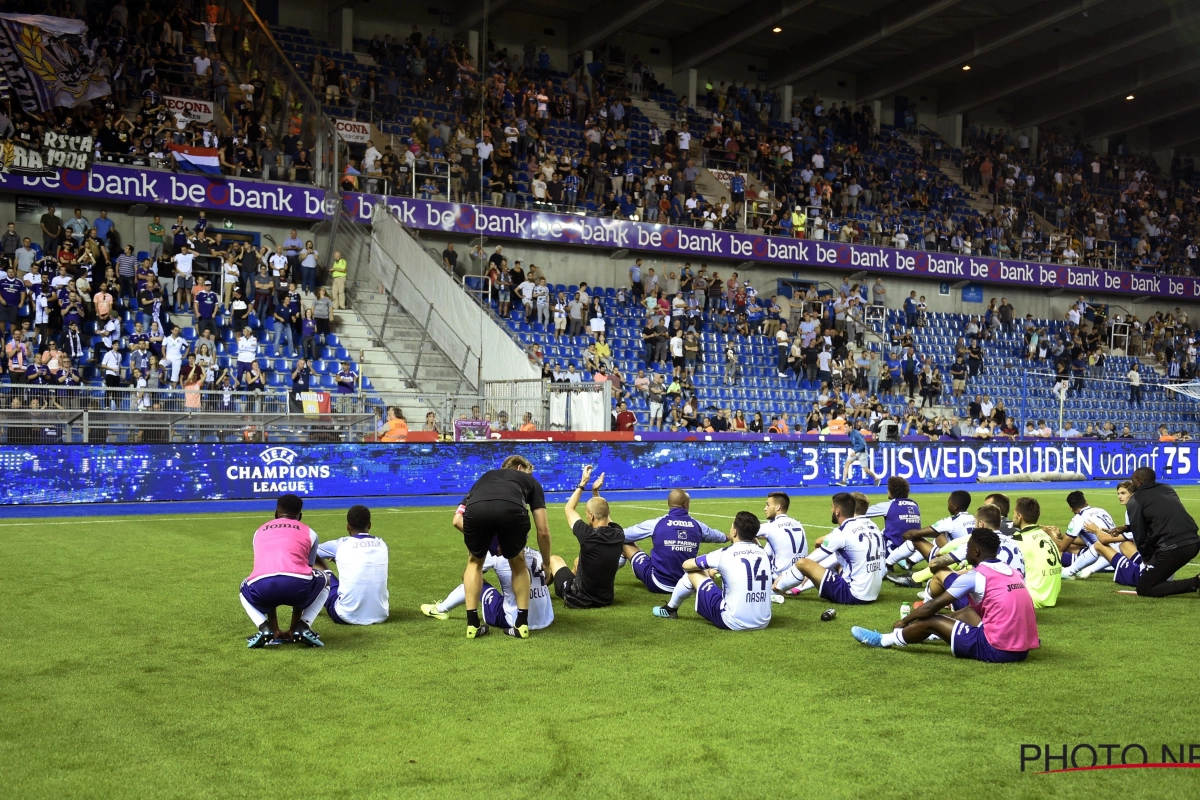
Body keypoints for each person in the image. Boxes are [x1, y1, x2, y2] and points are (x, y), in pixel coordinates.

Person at [851, 528, 1040, 663]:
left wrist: (904, 621)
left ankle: (885, 640)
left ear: (975, 551)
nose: (965, 553)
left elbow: (932, 606)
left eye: (968, 549)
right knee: (967, 611)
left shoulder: (977, 575)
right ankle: (935, 635)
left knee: (930, 620)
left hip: (997, 649)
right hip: (1022, 650)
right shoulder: (1012, 571)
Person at [452, 455, 552, 638]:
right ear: (520, 468)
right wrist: (546, 563)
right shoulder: (530, 481)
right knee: (518, 563)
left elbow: (457, 520)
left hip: (476, 512)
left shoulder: (485, 478)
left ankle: (473, 624)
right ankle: (521, 625)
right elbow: (543, 531)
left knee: (474, 563)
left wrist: (490, 541)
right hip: (512, 511)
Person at [651, 511, 771, 631]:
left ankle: (670, 609)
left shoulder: (724, 554)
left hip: (733, 621)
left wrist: (707, 570)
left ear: (734, 531)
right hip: (763, 621)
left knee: (694, 572)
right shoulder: (763, 553)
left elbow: (686, 564)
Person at [240, 494, 330, 648]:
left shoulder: (259, 531)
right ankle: (302, 626)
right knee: (326, 579)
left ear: (276, 514)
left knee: (244, 588)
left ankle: (266, 628)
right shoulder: (310, 533)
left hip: (263, 586)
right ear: (300, 516)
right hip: (297, 585)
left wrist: (274, 628)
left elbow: (267, 569)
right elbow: (306, 570)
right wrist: (295, 626)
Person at [774, 492, 885, 604]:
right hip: (873, 591)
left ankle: (776, 590)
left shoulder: (841, 533)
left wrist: (784, 574)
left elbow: (808, 561)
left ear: (837, 511)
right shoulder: (872, 525)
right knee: (837, 560)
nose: (831, 510)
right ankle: (797, 587)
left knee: (803, 563)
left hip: (853, 594)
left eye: (832, 507)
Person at [422, 541, 554, 633]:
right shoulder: (536, 553)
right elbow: (548, 579)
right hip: (547, 618)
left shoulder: (496, 554)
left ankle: (440, 609)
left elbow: (466, 576)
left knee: (475, 582)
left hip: (514, 620)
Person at [620, 489, 730, 594]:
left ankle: (607, 573)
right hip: (687, 583)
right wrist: (728, 537)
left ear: (669, 504)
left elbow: (623, 536)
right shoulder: (698, 526)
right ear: (686, 504)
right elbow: (717, 536)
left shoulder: (656, 524)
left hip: (658, 583)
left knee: (624, 543)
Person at [548, 466, 625, 609]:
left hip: (579, 598)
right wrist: (595, 492)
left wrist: (583, 482)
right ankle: (569, 580)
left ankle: (540, 589)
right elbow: (604, 513)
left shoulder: (587, 535)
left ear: (591, 516)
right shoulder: (619, 533)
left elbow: (569, 509)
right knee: (578, 561)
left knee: (554, 559)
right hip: (606, 599)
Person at [1126, 467, 1200, 597]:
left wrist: (1147, 558)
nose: (1131, 483)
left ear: (1139, 481)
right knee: (1157, 577)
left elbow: (1140, 535)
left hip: (1173, 547)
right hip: (1194, 542)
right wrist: (1126, 528)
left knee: (1144, 588)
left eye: (1132, 480)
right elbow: (1163, 517)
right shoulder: (1167, 488)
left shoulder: (1135, 500)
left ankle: (1196, 582)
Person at [314, 505, 389, 625]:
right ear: (369, 525)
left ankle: (308, 605)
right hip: (381, 614)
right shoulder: (382, 544)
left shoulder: (340, 545)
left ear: (348, 526)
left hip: (344, 615)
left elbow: (310, 553)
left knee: (316, 563)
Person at [1010, 497, 1062, 608]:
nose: (1012, 516)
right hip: (1051, 596)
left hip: (1034, 597)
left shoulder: (1020, 539)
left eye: (1014, 513)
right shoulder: (1045, 534)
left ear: (1020, 517)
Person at [1056, 491, 1117, 579]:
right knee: (1072, 545)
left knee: (1057, 552)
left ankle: (1072, 570)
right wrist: (1061, 536)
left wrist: (1050, 535)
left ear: (1070, 508)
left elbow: (1062, 547)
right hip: (1117, 552)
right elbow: (1088, 540)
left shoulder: (1078, 519)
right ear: (1086, 501)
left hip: (1103, 558)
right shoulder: (1101, 510)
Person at [864, 477, 922, 563]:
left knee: (869, 533)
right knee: (888, 528)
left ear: (892, 491)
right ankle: (902, 560)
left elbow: (862, 513)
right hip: (913, 547)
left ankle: (890, 560)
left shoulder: (888, 506)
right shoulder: (914, 504)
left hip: (894, 546)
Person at [840, 419, 881, 486]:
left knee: (865, 469)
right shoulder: (849, 434)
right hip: (856, 450)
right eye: (844, 427)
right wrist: (855, 451)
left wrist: (855, 452)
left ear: (851, 427)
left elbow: (863, 445)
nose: (845, 428)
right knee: (847, 463)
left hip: (862, 451)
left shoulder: (856, 433)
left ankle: (876, 479)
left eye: (846, 427)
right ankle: (843, 481)